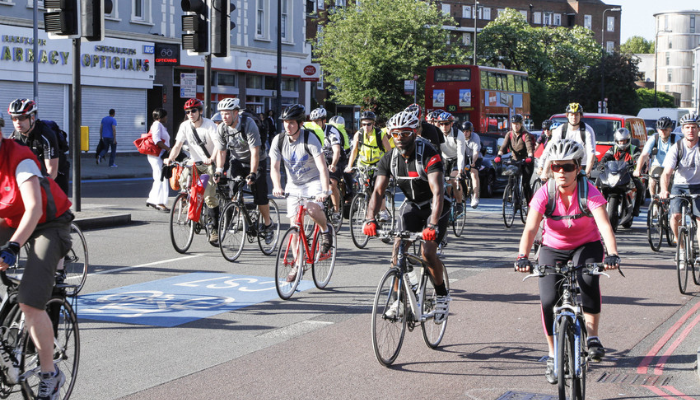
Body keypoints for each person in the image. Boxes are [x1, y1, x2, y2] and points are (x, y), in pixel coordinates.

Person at [515, 139, 620, 384]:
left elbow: (604, 226)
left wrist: (613, 253)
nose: (561, 172)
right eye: (556, 167)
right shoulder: (545, 193)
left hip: (587, 245)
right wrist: (523, 256)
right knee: (548, 299)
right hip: (553, 247)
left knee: (587, 281)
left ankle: (592, 337)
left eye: (567, 167)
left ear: (578, 167)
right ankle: (553, 354)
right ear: (550, 168)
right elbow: (531, 229)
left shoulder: (589, 191)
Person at [0, 130, 74, 400]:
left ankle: (49, 374)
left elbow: (33, 209)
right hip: (12, 220)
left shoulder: (20, 159)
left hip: (49, 224)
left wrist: (13, 246)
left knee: (30, 303)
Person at [362, 109, 451, 323]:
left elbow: (438, 192)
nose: (399, 138)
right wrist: (369, 218)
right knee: (397, 251)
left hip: (435, 207)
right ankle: (399, 300)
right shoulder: (389, 158)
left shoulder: (428, 153)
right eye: (395, 134)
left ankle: (441, 296)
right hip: (411, 206)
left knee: (428, 253)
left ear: (414, 132)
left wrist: (432, 225)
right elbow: (377, 191)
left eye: (405, 133)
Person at [269, 104, 333, 280]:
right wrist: (277, 186)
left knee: (312, 210)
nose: (287, 126)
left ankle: (326, 230)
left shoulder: (309, 138)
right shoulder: (279, 140)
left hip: (313, 182)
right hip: (294, 185)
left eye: (291, 123)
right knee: (294, 228)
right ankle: (298, 264)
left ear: (299, 123)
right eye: (285, 122)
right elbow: (274, 167)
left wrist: (325, 190)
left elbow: (322, 167)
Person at [214, 98, 275, 243]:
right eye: (222, 114)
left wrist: (253, 173)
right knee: (233, 189)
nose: (224, 117)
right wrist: (218, 170)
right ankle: (242, 214)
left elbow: (255, 151)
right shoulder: (222, 128)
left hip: (257, 160)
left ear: (236, 113)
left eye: (227, 113)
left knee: (260, 195)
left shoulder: (248, 124)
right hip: (237, 160)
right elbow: (221, 152)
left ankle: (267, 224)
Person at [164, 98, 221, 245]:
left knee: (209, 197)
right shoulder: (184, 126)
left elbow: (217, 145)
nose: (190, 114)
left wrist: (212, 159)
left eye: (193, 111)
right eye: (188, 112)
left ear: (200, 111)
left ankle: (214, 230)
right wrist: (170, 158)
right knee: (183, 181)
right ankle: (188, 203)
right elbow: (177, 145)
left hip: (209, 164)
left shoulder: (209, 125)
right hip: (194, 163)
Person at [659, 113, 700, 259]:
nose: (691, 130)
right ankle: (681, 248)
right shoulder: (677, 147)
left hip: (698, 186)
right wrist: (664, 190)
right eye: (687, 127)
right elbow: (666, 174)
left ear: (698, 129)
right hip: (680, 186)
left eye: (694, 127)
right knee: (675, 215)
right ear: (682, 130)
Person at [7, 99, 67, 193]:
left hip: (56, 176)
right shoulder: (14, 137)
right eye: (14, 118)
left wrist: (36, 190)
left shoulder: (46, 135)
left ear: (32, 118)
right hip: (33, 174)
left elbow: (52, 171)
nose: (18, 122)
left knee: (54, 206)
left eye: (22, 117)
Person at [344, 111, 392, 221]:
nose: (366, 127)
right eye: (364, 124)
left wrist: (389, 167)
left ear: (373, 124)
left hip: (378, 165)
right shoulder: (358, 134)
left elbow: (389, 152)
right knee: (365, 187)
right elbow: (354, 151)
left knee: (378, 187)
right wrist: (349, 166)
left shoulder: (380, 134)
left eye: (369, 124)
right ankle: (367, 205)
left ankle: (383, 210)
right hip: (363, 165)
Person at [305, 107, 346, 224]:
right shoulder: (311, 130)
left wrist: (333, 164)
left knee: (332, 183)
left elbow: (337, 151)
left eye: (318, 121)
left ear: (324, 121)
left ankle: (336, 211)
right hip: (321, 157)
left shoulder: (332, 131)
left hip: (336, 158)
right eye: (313, 121)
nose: (315, 124)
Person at [541, 103, 596, 179]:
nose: (574, 117)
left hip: (581, 165)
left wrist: (587, 172)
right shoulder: (560, 130)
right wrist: (545, 171)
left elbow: (591, 153)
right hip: (563, 165)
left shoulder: (587, 130)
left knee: (585, 188)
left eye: (576, 114)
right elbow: (550, 150)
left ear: (580, 115)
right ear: (567, 115)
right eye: (571, 115)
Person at [599, 128, 644, 216]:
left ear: (628, 140)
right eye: (620, 141)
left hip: (629, 173)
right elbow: (606, 157)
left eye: (624, 141)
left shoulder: (634, 149)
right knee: (599, 182)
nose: (622, 143)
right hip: (614, 174)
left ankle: (636, 209)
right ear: (616, 141)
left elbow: (639, 158)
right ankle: (599, 204)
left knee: (639, 186)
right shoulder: (613, 149)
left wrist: (638, 166)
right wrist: (601, 165)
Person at [494, 114, 535, 202]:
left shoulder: (525, 135)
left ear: (521, 124)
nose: (515, 126)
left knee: (525, 183)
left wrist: (530, 156)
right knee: (511, 177)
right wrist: (499, 155)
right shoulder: (509, 134)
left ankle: (530, 204)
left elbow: (529, 147)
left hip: (526, 160)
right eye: (513, 124)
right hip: (515, 159)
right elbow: (503, 147)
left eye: (517, 124)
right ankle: (511, 194)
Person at [634, 116, 677, 196]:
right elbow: (644, 155)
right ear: (658, 130)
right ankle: (654, 201)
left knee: (670, 183)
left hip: (672, 166)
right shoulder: (655, 138)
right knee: (653, 180)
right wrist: (638, 169)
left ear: (670, 130)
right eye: (661, 130)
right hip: (657, 164)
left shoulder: (676, 139)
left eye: (666, 130)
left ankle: (668, 202)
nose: (663, 132)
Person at [436, 112, 467, 214]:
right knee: (443, 183)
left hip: (456, 159)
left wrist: (460, 171)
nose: (444, 126)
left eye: (446, 124)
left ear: (451, 124)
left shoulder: (459, 134)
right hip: (444, 159)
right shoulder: (437, 134)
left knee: (453, 180)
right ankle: (447, 203)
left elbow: (461, 154)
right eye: (441, 124)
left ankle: (459, 203)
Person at [146, 108, 171, 212]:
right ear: (161, 117)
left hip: (158, 155)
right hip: (157, 155)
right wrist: (168, 149)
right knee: (160, 178)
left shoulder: (159, 125)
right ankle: (158, 202)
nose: (167, 118)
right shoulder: (157, 125)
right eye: (165, 116)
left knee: (160, 177)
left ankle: (153, 199)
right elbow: (157, 140)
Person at [462, 121, 482, 208]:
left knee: (474, 173)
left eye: (467, 131)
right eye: (463, 131)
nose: (465, 133)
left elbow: (476, 152)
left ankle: (475, 197)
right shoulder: (460, 137)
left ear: (470, 131)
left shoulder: (475, 137)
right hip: (464, 156)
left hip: (475, 157)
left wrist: (473, 162)